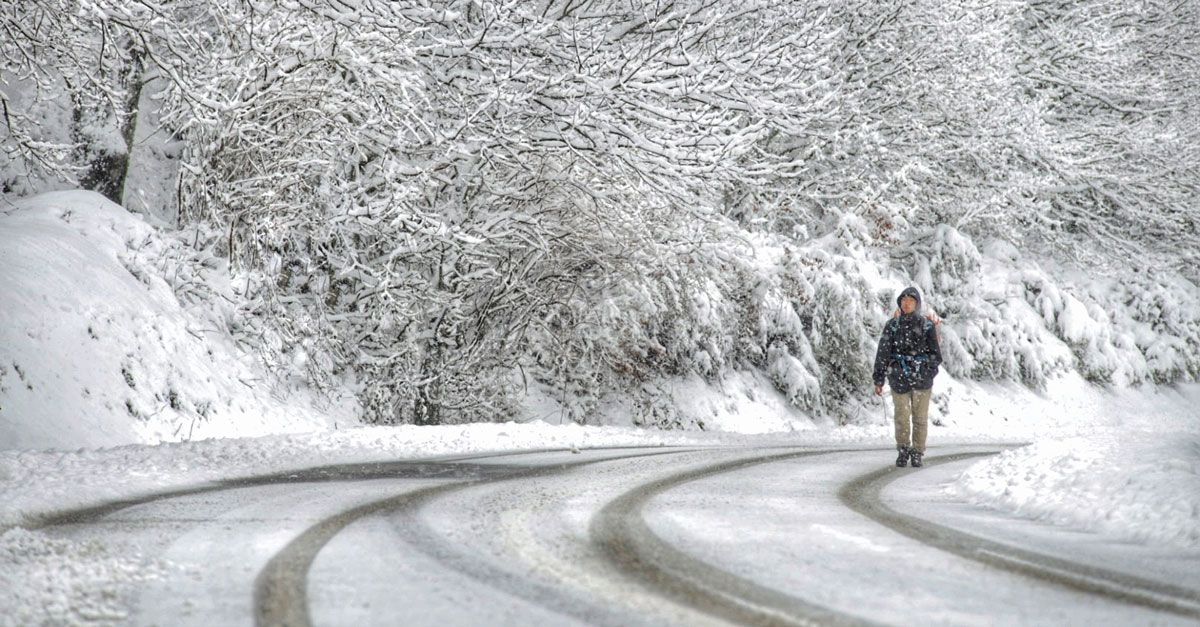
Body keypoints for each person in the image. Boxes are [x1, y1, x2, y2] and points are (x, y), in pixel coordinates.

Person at [873, 287, 942, 468]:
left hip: (922, 380)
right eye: (903, 300)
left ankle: (918, 452)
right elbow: (883, 354)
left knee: (920, 418)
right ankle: (903, 449)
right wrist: (879, 378)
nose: (906, 303)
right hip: (899, 378)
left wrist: (926, 371)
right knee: (901, 417)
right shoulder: (892, 326)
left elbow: (936, 356)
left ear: (917, 304)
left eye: (910, 300)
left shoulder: (927, 326)